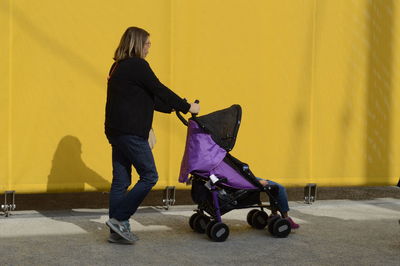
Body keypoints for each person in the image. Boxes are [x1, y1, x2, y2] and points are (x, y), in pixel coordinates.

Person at [104, 26, 200, 244]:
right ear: (138, 44)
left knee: (121, 180)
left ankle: (116, 230)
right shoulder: (138, 65)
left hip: (115, 131)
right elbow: (159, 89)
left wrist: (172, 108)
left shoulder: (117, 66)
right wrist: (187, 107)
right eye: (147, 44)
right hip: (131, 133)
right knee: (149, 176)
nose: (149, 49)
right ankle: (119, 219)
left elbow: (145, 98)